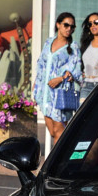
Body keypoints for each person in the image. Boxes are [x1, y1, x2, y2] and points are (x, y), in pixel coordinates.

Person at [33, 12, 81, 143]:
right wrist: (36, 83)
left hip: (59, 94)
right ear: (58, 25)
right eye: (66, 25)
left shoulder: (73, 47)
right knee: (53, 132)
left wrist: (60, 79)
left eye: (72, 27)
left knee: (60, 131)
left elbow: (76, 71)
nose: (69, 29)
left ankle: (57, 162)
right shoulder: (48, 42)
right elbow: (41, 64)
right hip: (44, 92)